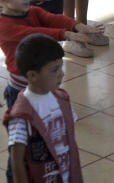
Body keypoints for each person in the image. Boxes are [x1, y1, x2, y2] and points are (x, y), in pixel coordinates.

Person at [3, 34, 84, 183]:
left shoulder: (62, 99)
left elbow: (71, 142)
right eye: (54, 70)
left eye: (61, 66)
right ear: (32, 75)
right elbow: (17, 161)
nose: (61, 73)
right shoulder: (21, 115)